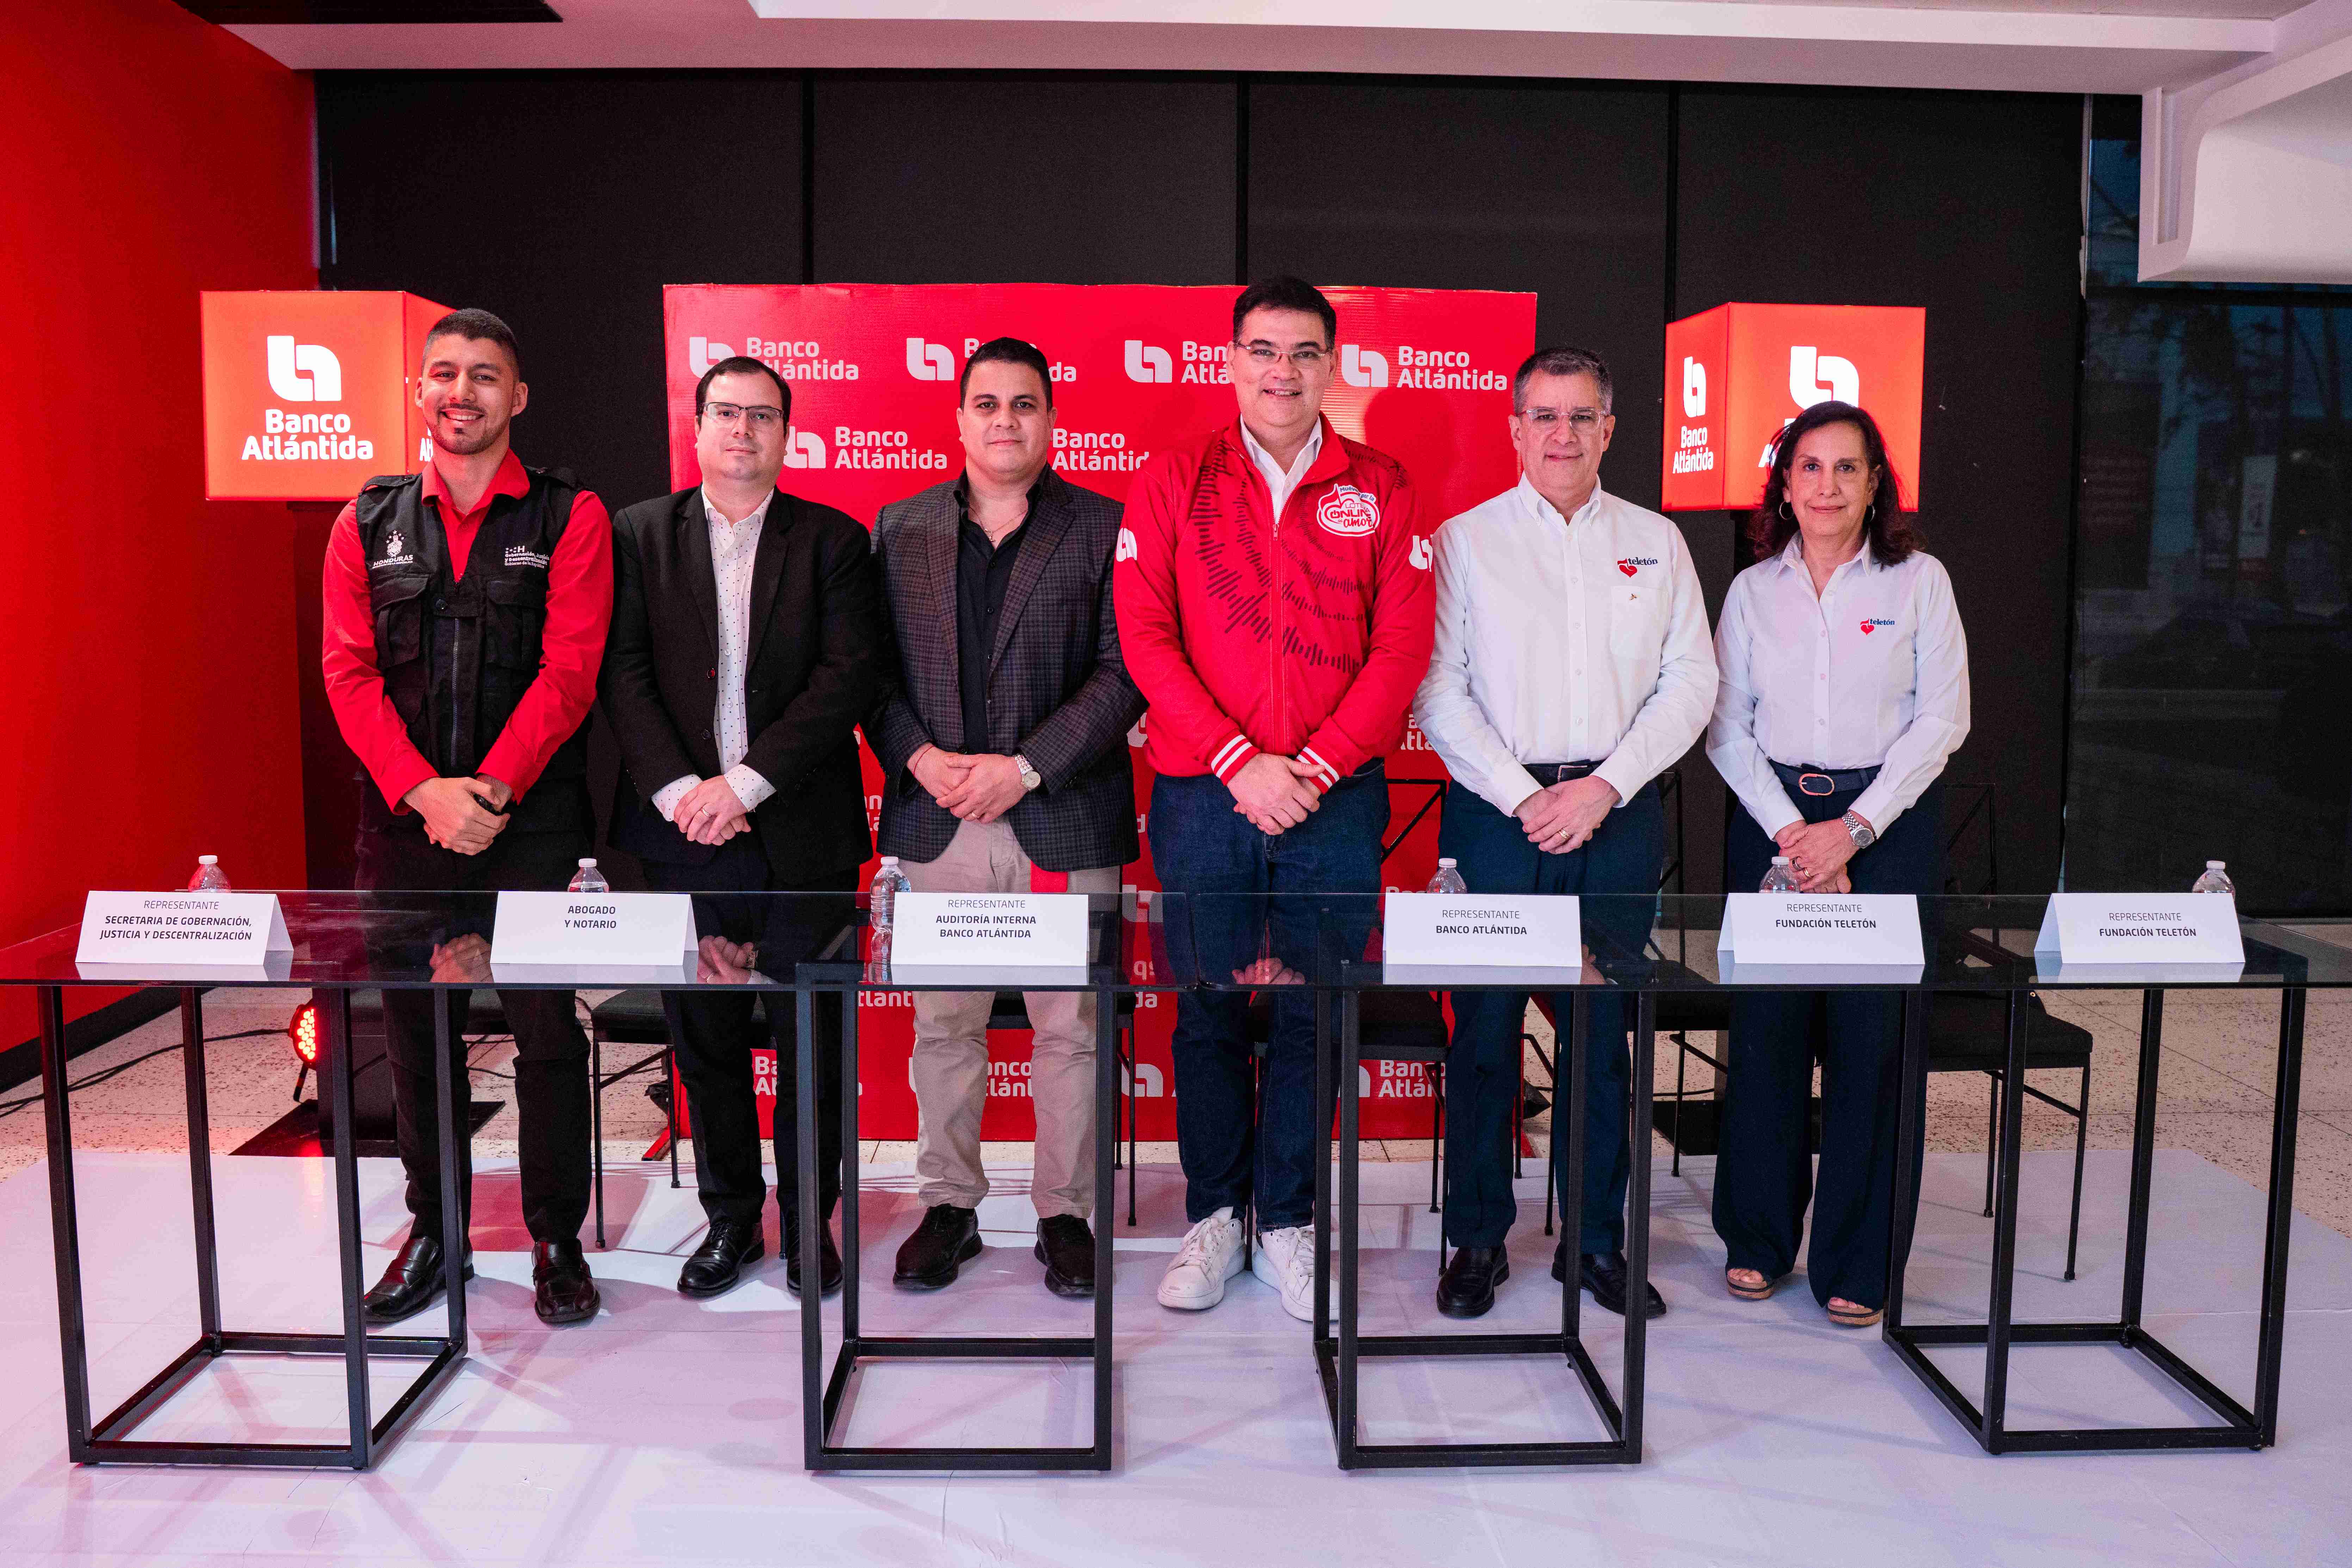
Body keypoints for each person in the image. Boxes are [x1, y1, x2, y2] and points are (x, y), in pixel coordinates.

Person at [1114, 277, 1435, 1321]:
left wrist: (1318, 765)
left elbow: (1402, 647)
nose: (1282, 371)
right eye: (1262, 350)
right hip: (1205, 793)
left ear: (1332, 364)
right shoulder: (1174, 479)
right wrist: (1238, 761)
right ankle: (1216, 1215)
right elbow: (1145, 636)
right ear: (1230, 360)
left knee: (1313, 1009)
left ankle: (1289, 1220)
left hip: (1334, 800)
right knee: (1207, 1006)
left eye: (1303, 352)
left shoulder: (1382, 485)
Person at [1413, 346, 1717, 1320]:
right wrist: (1522, 797)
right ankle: (1475, 1240)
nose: (1562, 434)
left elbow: (1692, 682)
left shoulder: (1656, 542)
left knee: (1599, 1039)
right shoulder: (1464, 541)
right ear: (1513, 429)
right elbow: (1438, 691)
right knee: (1484, 1036)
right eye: (1543, 415)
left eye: (1582, 416)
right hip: (1496, 817)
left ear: (1609, 429)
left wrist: (1605, 787)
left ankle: (1594, 1242)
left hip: (1615, 816)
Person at [320, 308, 611, 1327]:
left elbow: (570, 672)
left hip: (528, 823)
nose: (462, 392)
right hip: (403, 826)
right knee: (415, 1032)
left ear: (517, 397)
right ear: (420, 392)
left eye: (485, 375)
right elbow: (347, 674)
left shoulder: (571, 517)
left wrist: (486, 791)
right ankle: (435, 1231)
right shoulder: (365, 523)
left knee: (545, 1033)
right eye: (444, 373)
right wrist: (423, 791)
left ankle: (556, 1238)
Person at [598, 354, 884, 1300]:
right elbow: (621, 673)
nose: (743, 430)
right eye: (727, 412)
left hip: (801, 835)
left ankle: (808, 1224)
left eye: (763, 416)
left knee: (813, 1043)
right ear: (697, 426)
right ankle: (729, 1219)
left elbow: (845, 678)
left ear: (787, 434)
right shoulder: (638, 534)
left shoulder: (833, 541)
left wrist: (747, 786)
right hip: (682, 834)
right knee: (706, 1041)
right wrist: (688, 792)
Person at [867, 337, 1145, 1299]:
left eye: (1024, 404)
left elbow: (1125, 673)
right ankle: (950, 1206)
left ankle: (1066, 1215)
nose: (1005, 421)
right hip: (938, 816)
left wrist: (1024, 769)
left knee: (1072, 1030)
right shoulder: (900, 527)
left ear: (1052, 419)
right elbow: (868, 671)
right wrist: (921, 758)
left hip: (1061, 815)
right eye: (986, 403)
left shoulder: (1104, 526)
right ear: (958, 419)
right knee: (945, 1027)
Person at [1705, 399, 1969, 1328]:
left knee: (1873, 1048)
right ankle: (1756, 1236)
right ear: (1783, 484)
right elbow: (1725, 729)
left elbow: (1943, 718)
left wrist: (1851, 831)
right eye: (1809, 467)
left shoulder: (1919, 582)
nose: (1826, 486)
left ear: (1875, 484)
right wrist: (1796, 834)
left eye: (1846, 468)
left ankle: (1859, 1258)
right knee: (1767, 1040)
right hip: (1772, 822)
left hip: (1885, 826)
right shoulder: (1751, 591)